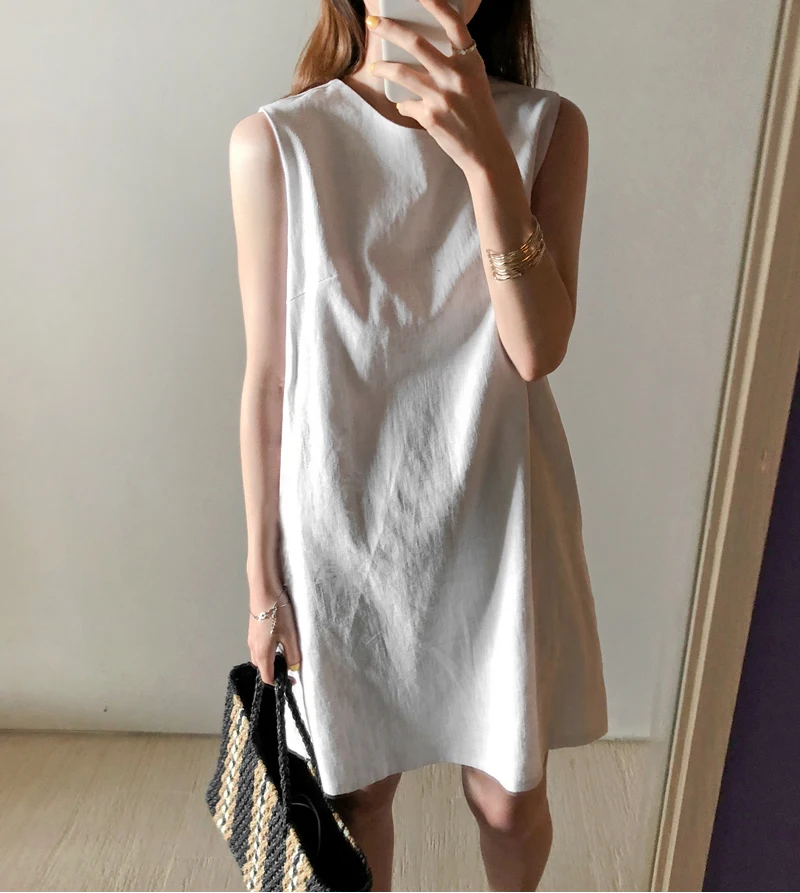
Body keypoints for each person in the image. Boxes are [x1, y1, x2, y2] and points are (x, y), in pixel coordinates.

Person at [229, 0, 608, 888]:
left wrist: (485, 157)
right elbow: (268, 379)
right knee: (356, 796)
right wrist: (261, 580)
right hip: (343, 522)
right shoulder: (276, 143)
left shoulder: (548, 129)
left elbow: (535, 348)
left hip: (497, 511)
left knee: (508, 798)